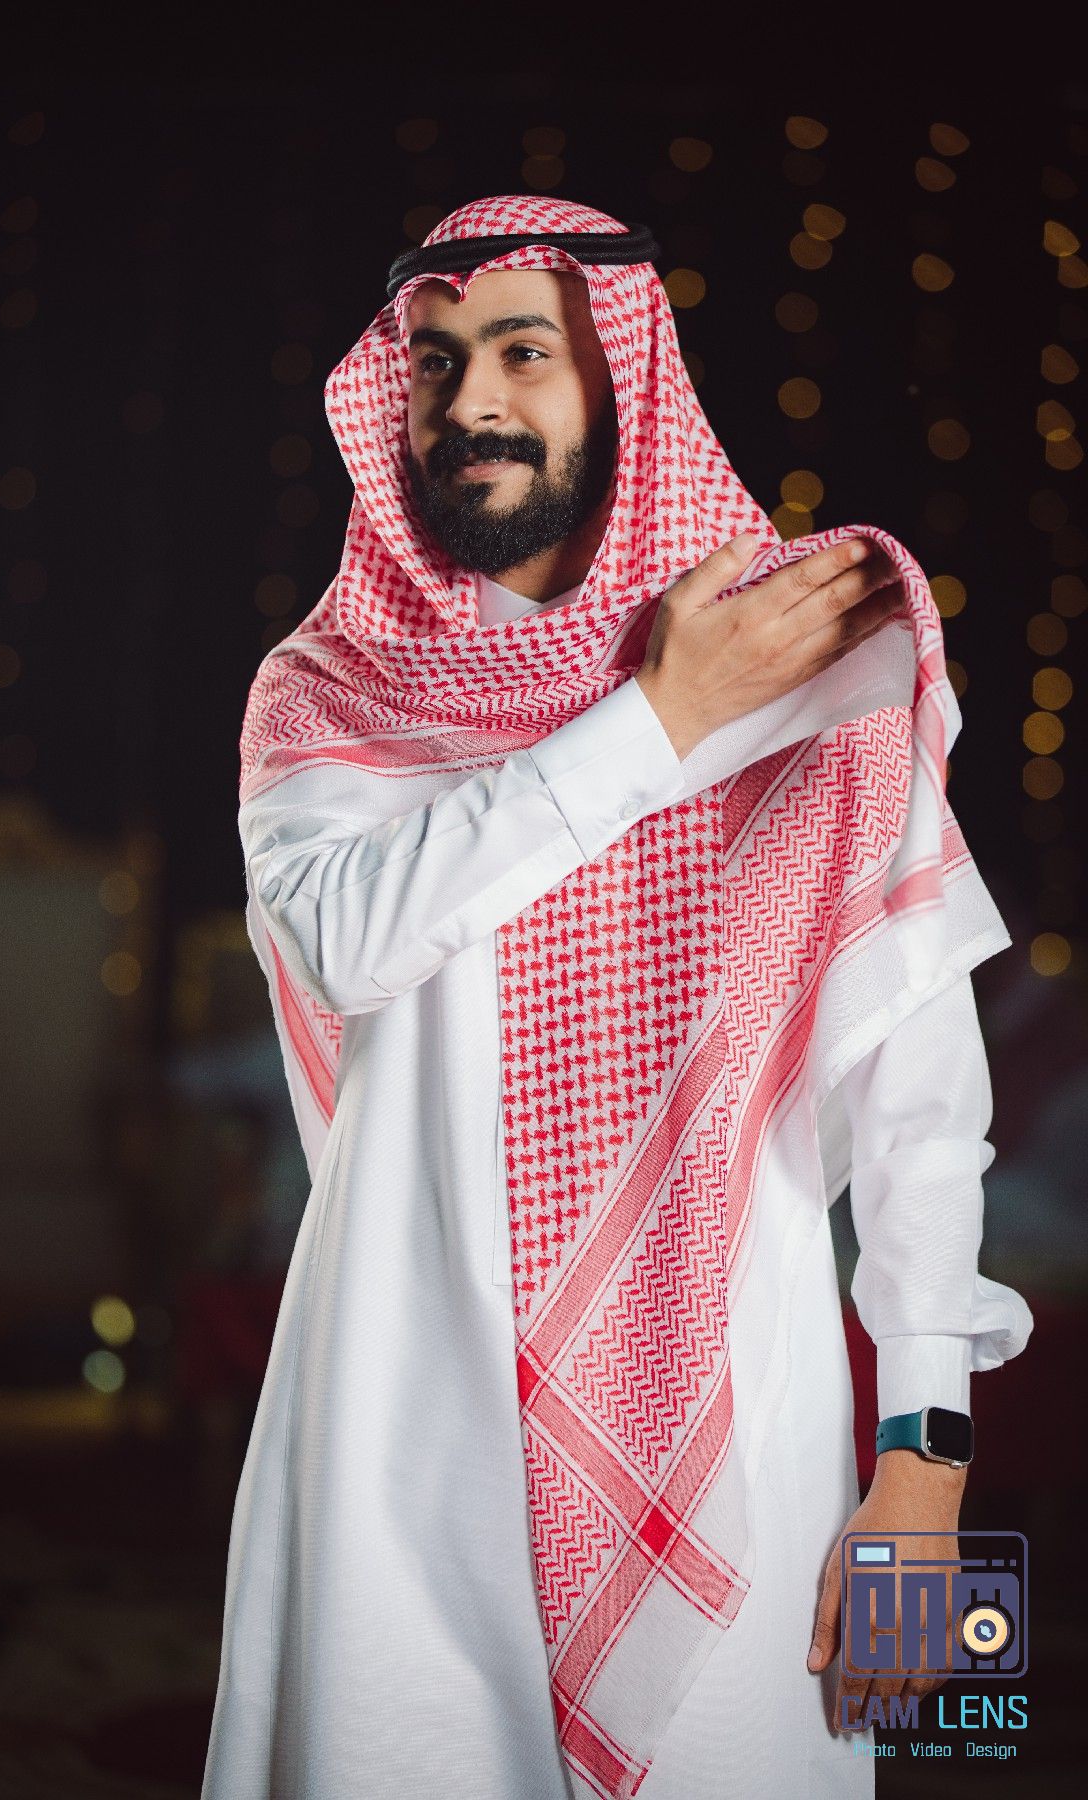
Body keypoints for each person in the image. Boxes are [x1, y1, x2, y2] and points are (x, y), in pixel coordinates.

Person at [201, 196, 1032, 1800]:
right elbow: (352, 940)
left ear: (627, 380)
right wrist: (656, 722)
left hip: (744, 1430)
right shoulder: (325, 691)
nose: (472, 401)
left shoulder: (810, 658)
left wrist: (925, 1477)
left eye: (526, 351)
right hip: (394, 1429)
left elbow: (921, 1108)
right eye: (436, 362)